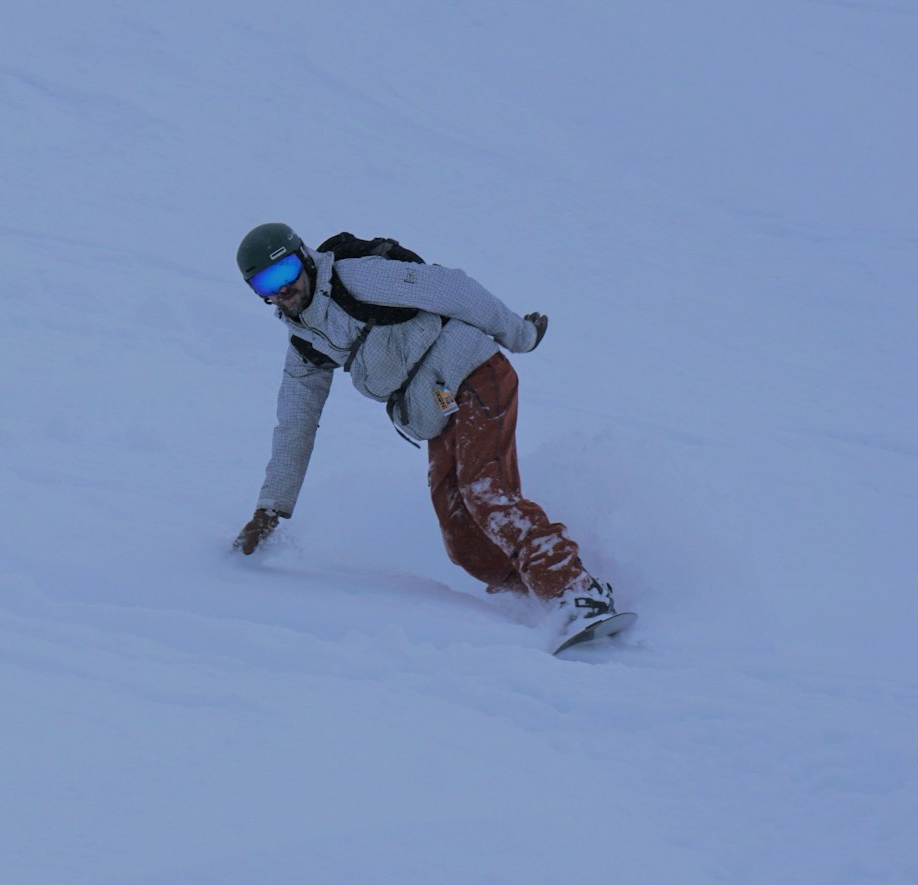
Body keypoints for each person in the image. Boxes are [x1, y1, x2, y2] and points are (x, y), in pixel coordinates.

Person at [230, 222, 623, 646]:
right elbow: (295, 424)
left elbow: (452, 289)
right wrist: (271, 509)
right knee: (461, 537)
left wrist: (521, 335)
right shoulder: (305, 346)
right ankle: (538, 603)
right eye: (266, 284)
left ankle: (576, 593)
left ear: (304, 259)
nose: (282, 289)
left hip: (474, 371)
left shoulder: (356, 278)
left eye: (285, 271)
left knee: (485, 491)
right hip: (439, 408)